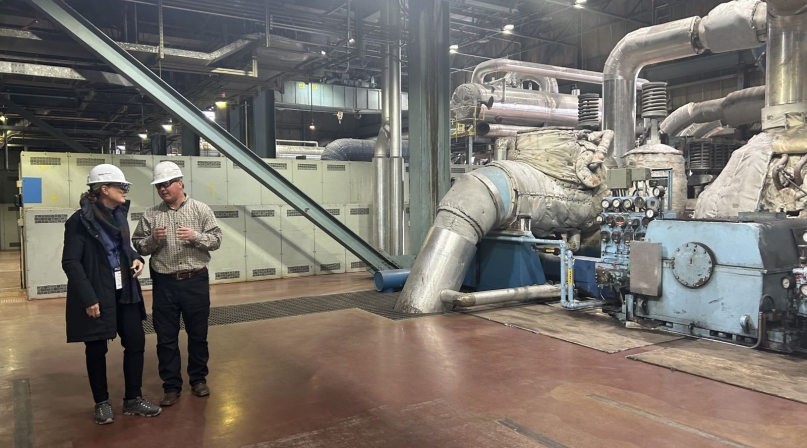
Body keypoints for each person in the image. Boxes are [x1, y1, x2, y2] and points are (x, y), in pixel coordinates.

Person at [62, 164, 162, 425]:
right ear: (104, 189)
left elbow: (123, 249)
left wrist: (137, 258)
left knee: (136, 343)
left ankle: (133, 399)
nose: (126, 192)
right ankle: (102, 403)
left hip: (125, 291)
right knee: (96, 349)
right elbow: (71, 262)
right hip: (97, 292)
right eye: (122, 187)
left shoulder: (118, 215)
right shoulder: (79, 221)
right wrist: (89, 298)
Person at [132, 161, 222, 407]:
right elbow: (137, 245)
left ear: (180, 183)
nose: (163, 189)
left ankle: (198, 379)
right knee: (166, 337)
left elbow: (216, 239)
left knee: (198, 335)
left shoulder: (201, 210)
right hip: (165, 283)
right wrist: (152, 240)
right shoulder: (151, 215)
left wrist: (196, 237)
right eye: (159, 186)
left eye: (167, 184)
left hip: (195, 281)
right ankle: (171, 386)